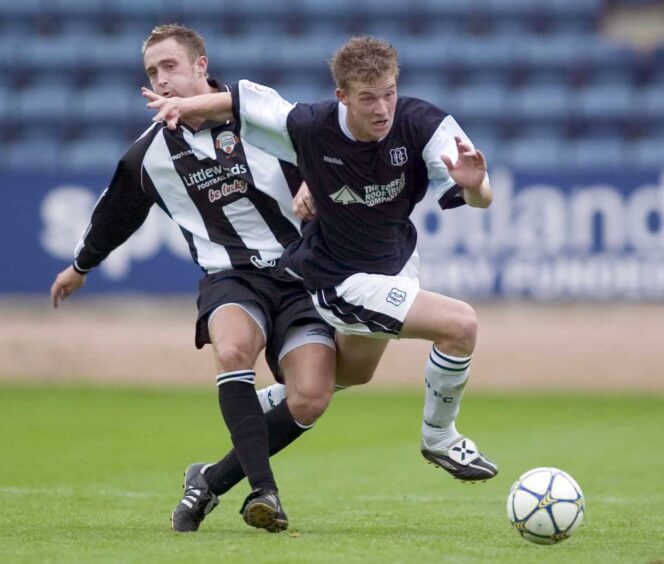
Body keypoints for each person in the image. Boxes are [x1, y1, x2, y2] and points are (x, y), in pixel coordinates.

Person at [143, 35, 499, 482]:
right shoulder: (310, 126)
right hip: (339, 280)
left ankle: (217, 471)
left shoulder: (423, 123)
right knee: (460, 325)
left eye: (388, 93)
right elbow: (240, 103)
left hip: (394, 263)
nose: (382, 109)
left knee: (344, 378)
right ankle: (440, 437)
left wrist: (474, 186)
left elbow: (481, 198)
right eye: (367, 98)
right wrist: (182, 109)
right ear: (342, 96)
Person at [50, 24, 337, 534]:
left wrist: (314, 184)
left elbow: (327, 153)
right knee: (231, 352)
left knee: (311, 397)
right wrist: (80, 267)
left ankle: (207, 481)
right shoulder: (149, 155)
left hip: (300, 273)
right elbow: (115, 215)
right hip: (231, 278)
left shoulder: (262, 119)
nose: (161, 80)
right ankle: (263, 491)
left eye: (171, 67)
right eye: (152, 73)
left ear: (200, 66)